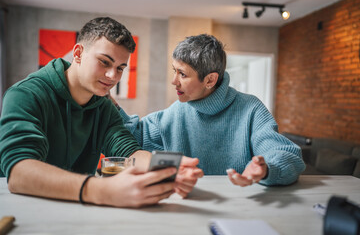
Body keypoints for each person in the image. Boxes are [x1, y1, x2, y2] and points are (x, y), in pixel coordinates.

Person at [0, 17, 203, 208]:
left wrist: (169, 169)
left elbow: (129, 153)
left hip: (76, 208)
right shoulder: (26, 94)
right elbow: (19, 172)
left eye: (120, 68)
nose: (112, 76)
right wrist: (100, 190)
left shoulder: (104, 106)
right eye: (104, 62)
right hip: (21, 209)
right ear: (78, 53)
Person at [119, 34, 306, 187]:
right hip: (188, 208)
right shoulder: (176, 112)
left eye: (182, 74)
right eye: (174, 70)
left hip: (241, 210)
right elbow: (132, 135)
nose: (174, 81)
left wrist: (266, 169)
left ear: (210, 80)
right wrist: (104, 98)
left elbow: (287, 155)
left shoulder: (251, 109)